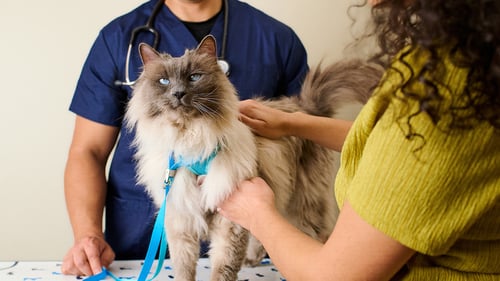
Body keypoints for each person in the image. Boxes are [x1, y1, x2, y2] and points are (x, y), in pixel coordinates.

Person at [218, 0, 500, 279]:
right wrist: (293, 123)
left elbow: (335, 276)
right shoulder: (467, 58)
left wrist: (256, 212)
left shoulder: (450, 88)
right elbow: (395, 146)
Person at [62, 0, 309, 276]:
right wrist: (87, 233)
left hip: (255, 248)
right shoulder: (118, 38)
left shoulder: (275, 37)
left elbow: (302, 140)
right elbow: (88, 151)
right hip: (137, 244)